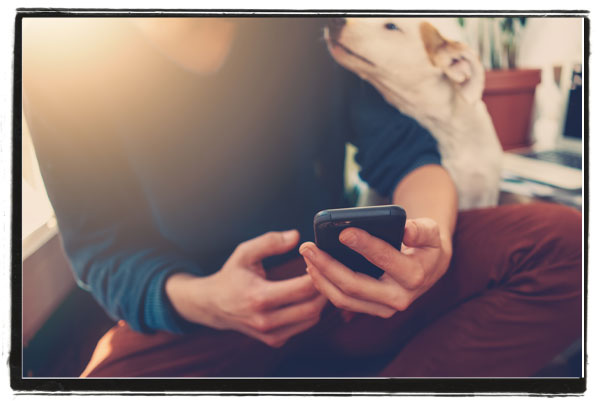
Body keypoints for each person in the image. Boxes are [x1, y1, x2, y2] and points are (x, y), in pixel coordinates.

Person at [22, 17, 582, 377]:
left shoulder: (307, 22)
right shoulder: (55, 57)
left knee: (570, 246)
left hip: (342, 288)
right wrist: (206, 299)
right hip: (205, 314)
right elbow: (100, 250)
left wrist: (429, 247)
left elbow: (407, 155)